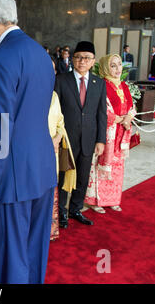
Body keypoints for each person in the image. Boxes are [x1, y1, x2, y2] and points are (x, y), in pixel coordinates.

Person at [0, 0, 57, 284]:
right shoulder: (41, 54)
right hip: (43, 169)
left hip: (12, 178)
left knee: (11, 261)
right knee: (35, 253)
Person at [55, 41, 107, 229]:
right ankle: (61, 211)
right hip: (66, 140)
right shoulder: (61, 80)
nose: (82, 61)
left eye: (86, 58)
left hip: (89, 139)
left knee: (82, 177)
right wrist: (57, 136)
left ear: (93, 61)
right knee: (64, 176)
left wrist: (101, 140)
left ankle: (75, 209)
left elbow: (102, 114)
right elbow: (55, 111)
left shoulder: (99, 84)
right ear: (73, 59)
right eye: (78, 57)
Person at [84, 54, 136, 213]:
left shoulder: (124, 86)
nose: (117, 69)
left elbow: (132, 107)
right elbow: (101, 110)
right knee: (101, 166)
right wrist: (120, 119)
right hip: (106, 133)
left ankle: (112, 199)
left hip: (121, 134)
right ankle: (96, 200)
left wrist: (128, 117)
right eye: (113, 65)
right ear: (106, 67)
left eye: (119, 64)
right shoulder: (101, 85)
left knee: (117, 167)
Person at [48, 61, 76, 241]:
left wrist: (58, 137)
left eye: (51, 70)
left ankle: (49, 231)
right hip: (33, 155)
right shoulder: (24, 94)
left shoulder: (54, 96)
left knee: (51, 190)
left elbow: (60, 123)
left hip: (53, 153)